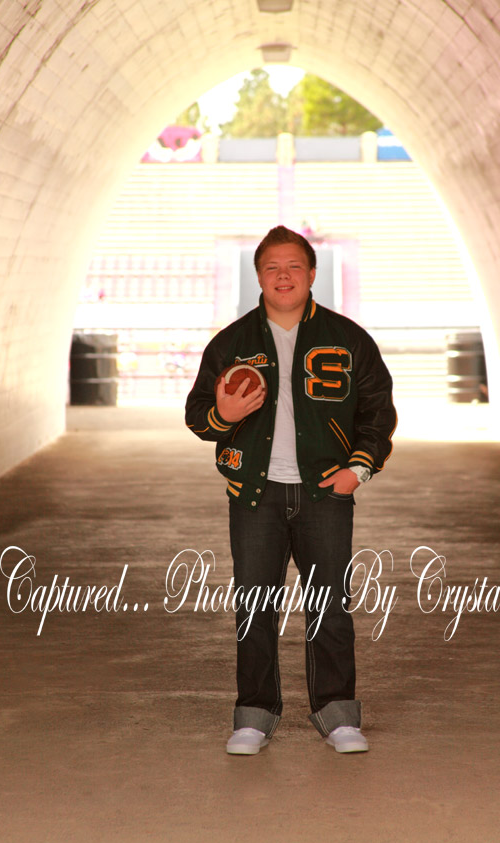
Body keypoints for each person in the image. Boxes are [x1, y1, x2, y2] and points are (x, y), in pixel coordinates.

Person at [185, 225, 396, 755]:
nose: (284, 276)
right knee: (254, 607)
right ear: (259, 276)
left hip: (325, 492)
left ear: (312, 273)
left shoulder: (349, 339)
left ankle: (338, 713)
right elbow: (197, 417)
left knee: (331, 606)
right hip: (255, 495)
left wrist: (358, 470)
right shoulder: (231, 343)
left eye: (294, 266)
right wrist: (222, 414)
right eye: (272, 267)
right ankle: (254, 716)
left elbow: (378, 411)